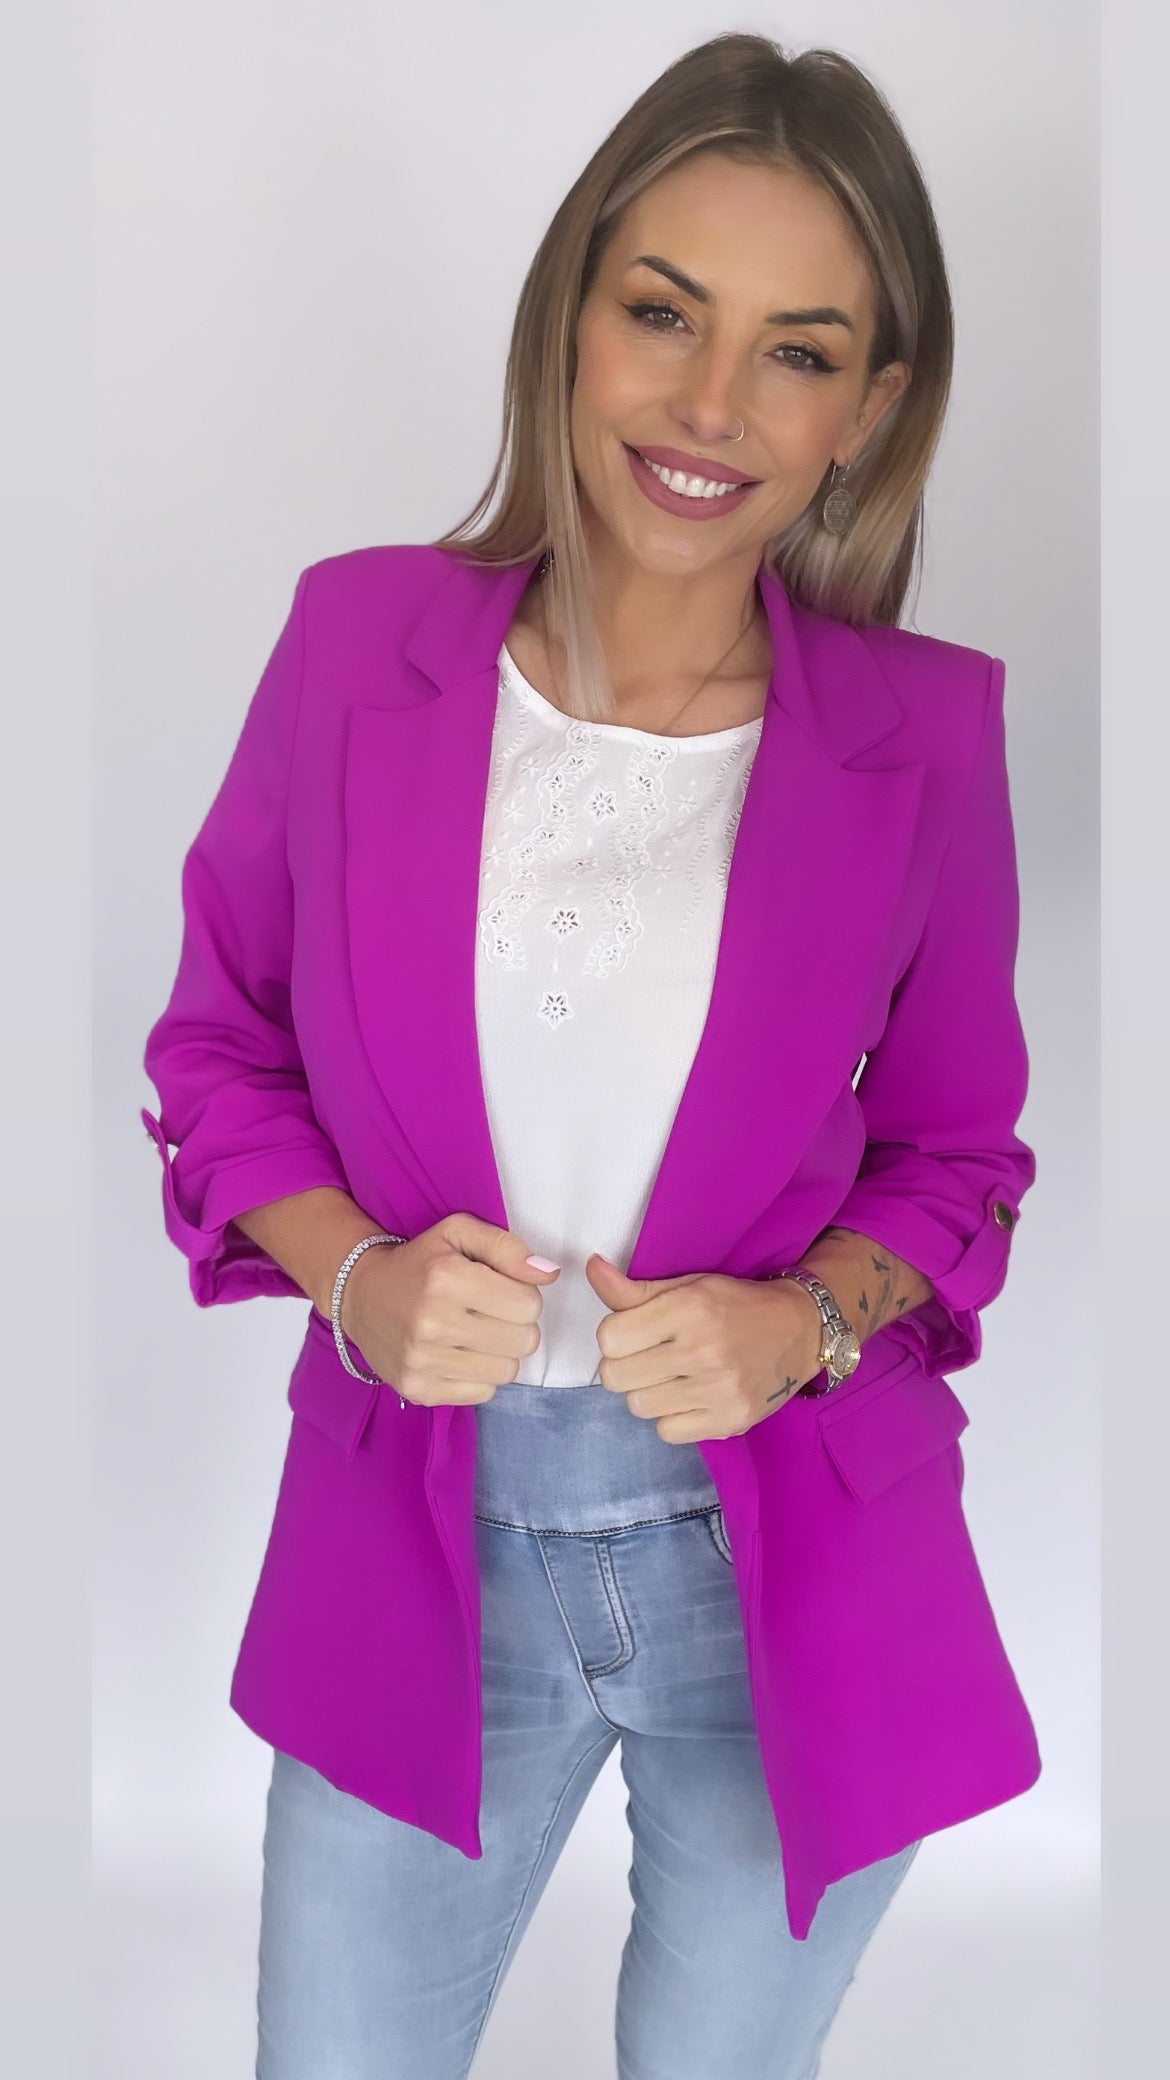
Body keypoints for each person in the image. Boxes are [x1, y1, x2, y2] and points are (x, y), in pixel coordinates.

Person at [140, 31, 1040, 2080]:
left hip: (788, 1559)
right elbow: (218, 1045)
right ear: (571, 316)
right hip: (416, 1545)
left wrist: (800, 1321)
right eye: (661, 313)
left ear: (866, 411)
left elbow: (956, 1158)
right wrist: (356, 1281)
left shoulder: (926, 736)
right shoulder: (356, 644)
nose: (711, 405)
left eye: (798, 352)